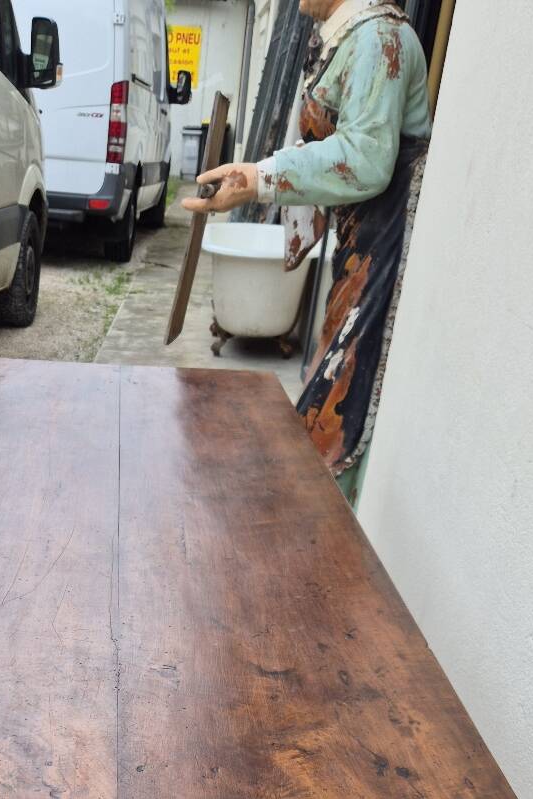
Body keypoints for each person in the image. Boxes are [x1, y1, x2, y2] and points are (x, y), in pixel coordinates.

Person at [184, 0, 432, 496]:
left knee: (340, 416)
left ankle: (329, 546)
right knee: (325, 400)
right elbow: (328, 149)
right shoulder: (349, 38)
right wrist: (252, 176)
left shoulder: (382, 39)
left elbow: (364, 159)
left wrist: (261, 179)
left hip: (382, 258)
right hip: (356, 252)